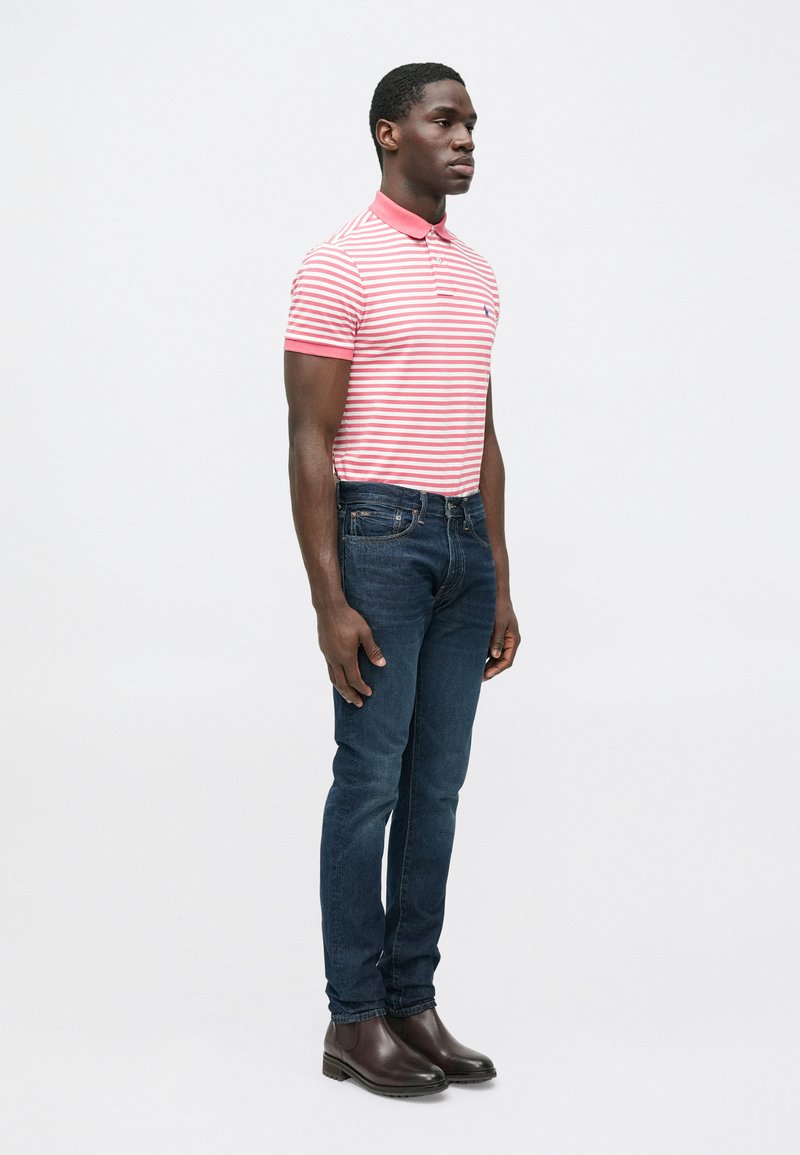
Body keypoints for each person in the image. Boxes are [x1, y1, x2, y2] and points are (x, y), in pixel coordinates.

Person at [284, 62, 520, 1098]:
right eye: (442, 120)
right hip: (377, 539)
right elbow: (307, 436)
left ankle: (412, 1001)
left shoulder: (475, 273)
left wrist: (499, 575)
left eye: (469, 122)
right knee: (370, 782)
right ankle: (353, 1019)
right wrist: (327, 598)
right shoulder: (338, 264)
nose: (463, 137)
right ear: (390, 134)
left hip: (460, 548)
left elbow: (479, 425)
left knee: (437, 786)